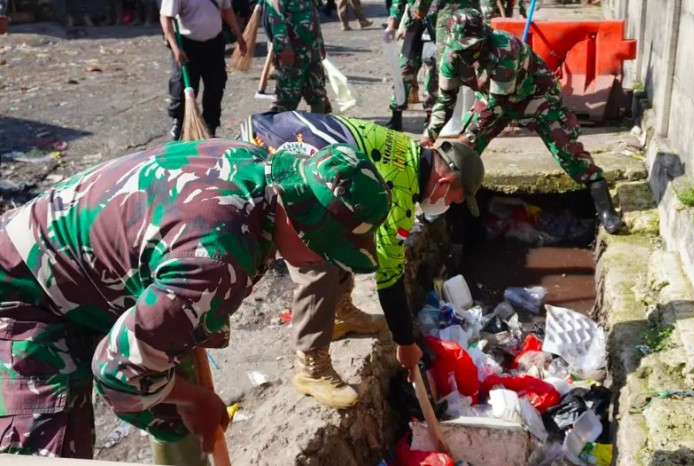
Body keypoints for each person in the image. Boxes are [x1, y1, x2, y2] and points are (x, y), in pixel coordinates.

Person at [0, 140, 392, 458]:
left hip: (79, 267)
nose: (323, 261)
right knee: (51, 449)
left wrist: (180, 390)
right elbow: (116, 373)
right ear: (295, 217)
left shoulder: (257, 170)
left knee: (168, 396)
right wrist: (194, 400)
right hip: (23, 288)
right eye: (325, 247)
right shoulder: (215, 261)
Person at [241, 111, 485, 408]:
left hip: (287, 137)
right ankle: (312, 366)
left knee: (346, 229)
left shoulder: (410, 154)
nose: (450, 205)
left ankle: (341, 311)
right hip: (269, 146)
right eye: (455, 200)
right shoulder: (400, 188)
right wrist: (405, 343)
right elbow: (389, 276)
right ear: (445, 182)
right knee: (317, 251)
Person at [422, 9, 623, 233]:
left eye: (473, 45)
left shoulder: (504, 49)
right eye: (462, 46)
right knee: (460, 152)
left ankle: (602, 200)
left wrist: (473, 130)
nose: (468, 51)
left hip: (534, 97)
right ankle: (444, 209)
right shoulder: (451, 58)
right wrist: (430, 135)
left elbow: (497, 105)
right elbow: (445, 99)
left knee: (565, 149)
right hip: (491, 98)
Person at [160, 0, 246, 139]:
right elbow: (165, 17)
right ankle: (179, 124)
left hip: (214, 43)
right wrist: (175, 47)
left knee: (215, 86)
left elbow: (227, 9)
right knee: (183, 87)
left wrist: (238, 34)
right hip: (187, 45)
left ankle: (210, 127)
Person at [263, 0, 332, 114]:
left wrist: (320, 44)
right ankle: (281, 127)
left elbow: (313, 16)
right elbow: (276, 20)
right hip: (292, 53)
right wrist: (285, 47)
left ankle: (318, 124)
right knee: (287, 96)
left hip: (312, 51)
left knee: (317, 93)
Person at [383, 0, 438, 131]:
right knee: (404, 71)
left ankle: (431, 118)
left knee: (432, 74)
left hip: (436, 28)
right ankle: (396, 117)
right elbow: (398, 2)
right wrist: (391, 25)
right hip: (413, 26)